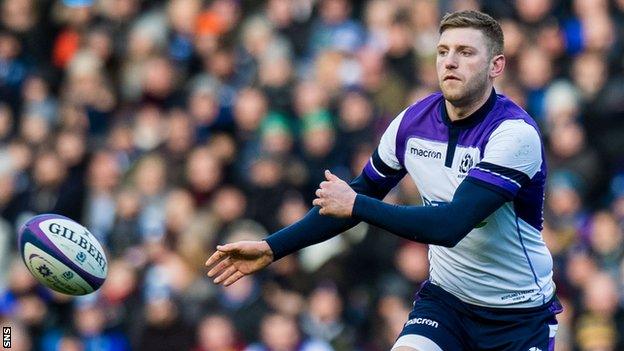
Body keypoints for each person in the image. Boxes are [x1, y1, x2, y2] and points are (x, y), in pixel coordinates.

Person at [206, 10, 562, 351]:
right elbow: (358, 193)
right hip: (447, 302)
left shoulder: (514, 135)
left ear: (496, 65)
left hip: (517, 315)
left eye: (465, 52)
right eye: (443, 51)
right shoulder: (411, 124)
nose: (450, 61)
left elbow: (451, 225)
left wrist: (357, 204)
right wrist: (272, 248)